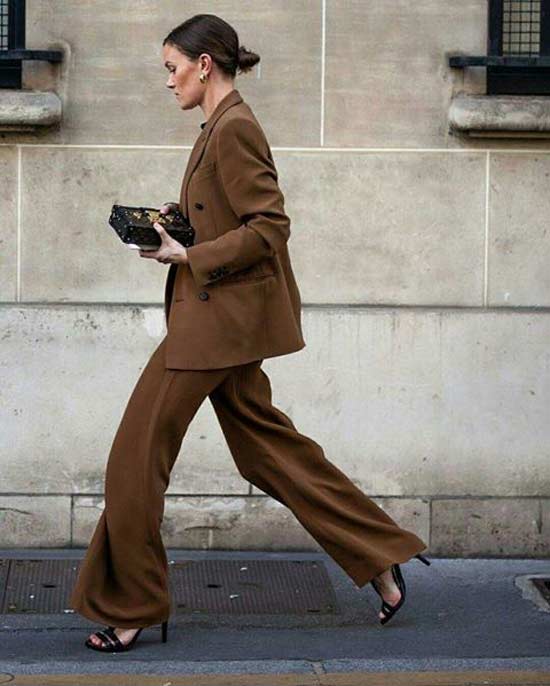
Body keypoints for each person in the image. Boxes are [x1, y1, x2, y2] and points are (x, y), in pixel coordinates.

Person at [70, 13, 431, 653]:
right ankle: (380, 556)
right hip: (219, 322)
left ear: (204, 64)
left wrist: (190, 258)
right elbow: (227, 217)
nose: (169, 81)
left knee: (132, 462)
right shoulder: (218, 126)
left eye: (172, 68)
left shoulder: (235, 127)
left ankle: (133, 605)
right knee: (267, 450)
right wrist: (178, 227)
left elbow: (269, 227)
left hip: (213, 323)